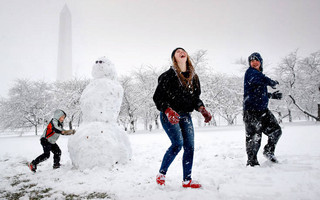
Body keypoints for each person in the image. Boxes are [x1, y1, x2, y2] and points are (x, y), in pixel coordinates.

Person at [153, 47, 212, 188]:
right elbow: (157, 97)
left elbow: (195, 98)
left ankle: (187, 180)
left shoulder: (193, 77)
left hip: (185, 115)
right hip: (170, 114)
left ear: (187, 56)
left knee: (190, 146)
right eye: (177, 51)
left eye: (183, 50)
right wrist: (167, 110)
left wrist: (201, 108)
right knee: (177, 144)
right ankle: (161, 174)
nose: (181, 52)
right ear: (174, 57)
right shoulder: (167, 76)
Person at [243, 52, 283, 167]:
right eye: (251, 61)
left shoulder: (258, 77)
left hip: (263, 111)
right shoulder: (250, 73)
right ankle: (252, 163)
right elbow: (261, 78)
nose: (254, 62)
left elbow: (258, 93)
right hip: (251, 112)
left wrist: (271, 96)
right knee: (254, 137)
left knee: (276, 131)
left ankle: (269, 151)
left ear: (260, 62)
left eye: (256, 60)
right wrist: (272, 82)